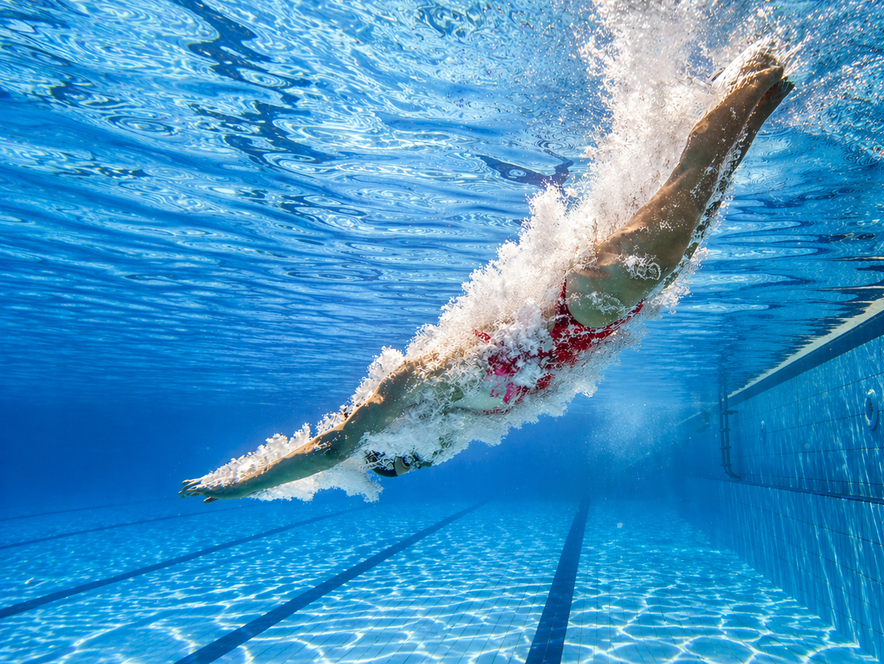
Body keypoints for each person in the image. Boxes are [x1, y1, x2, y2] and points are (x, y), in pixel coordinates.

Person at [181, 47, 793, 502]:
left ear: (387, 440)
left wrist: (239, 484)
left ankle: (754, 70)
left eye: (400, 461)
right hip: (607, 318)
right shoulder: (461, 423)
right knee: (710, 197)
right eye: (412, 468)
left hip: (588, 300)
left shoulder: (402, 391)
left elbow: (328, 448)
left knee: (693, 182)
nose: (418, 462)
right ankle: (765, 83)